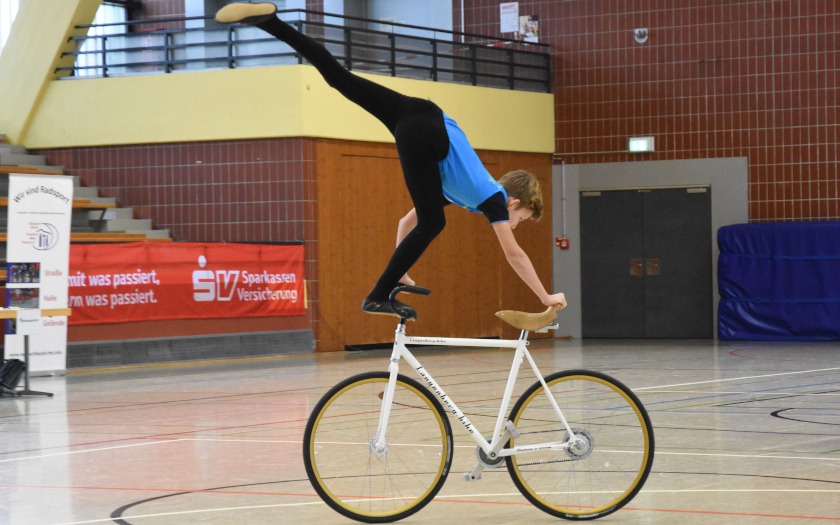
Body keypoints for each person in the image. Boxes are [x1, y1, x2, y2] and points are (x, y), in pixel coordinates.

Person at [215, 3, 567, 319]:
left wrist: (402, 268)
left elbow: (405, 222)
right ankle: (377, 295)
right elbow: (515, 256)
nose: (513, 224)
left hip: (412, 113)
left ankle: (271, 22)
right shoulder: (492, 199)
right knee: (434, 223)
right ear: (514, 202)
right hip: (425, 129)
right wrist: (545, 296)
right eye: (519, 219)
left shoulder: (464, 190)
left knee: (340, 79)